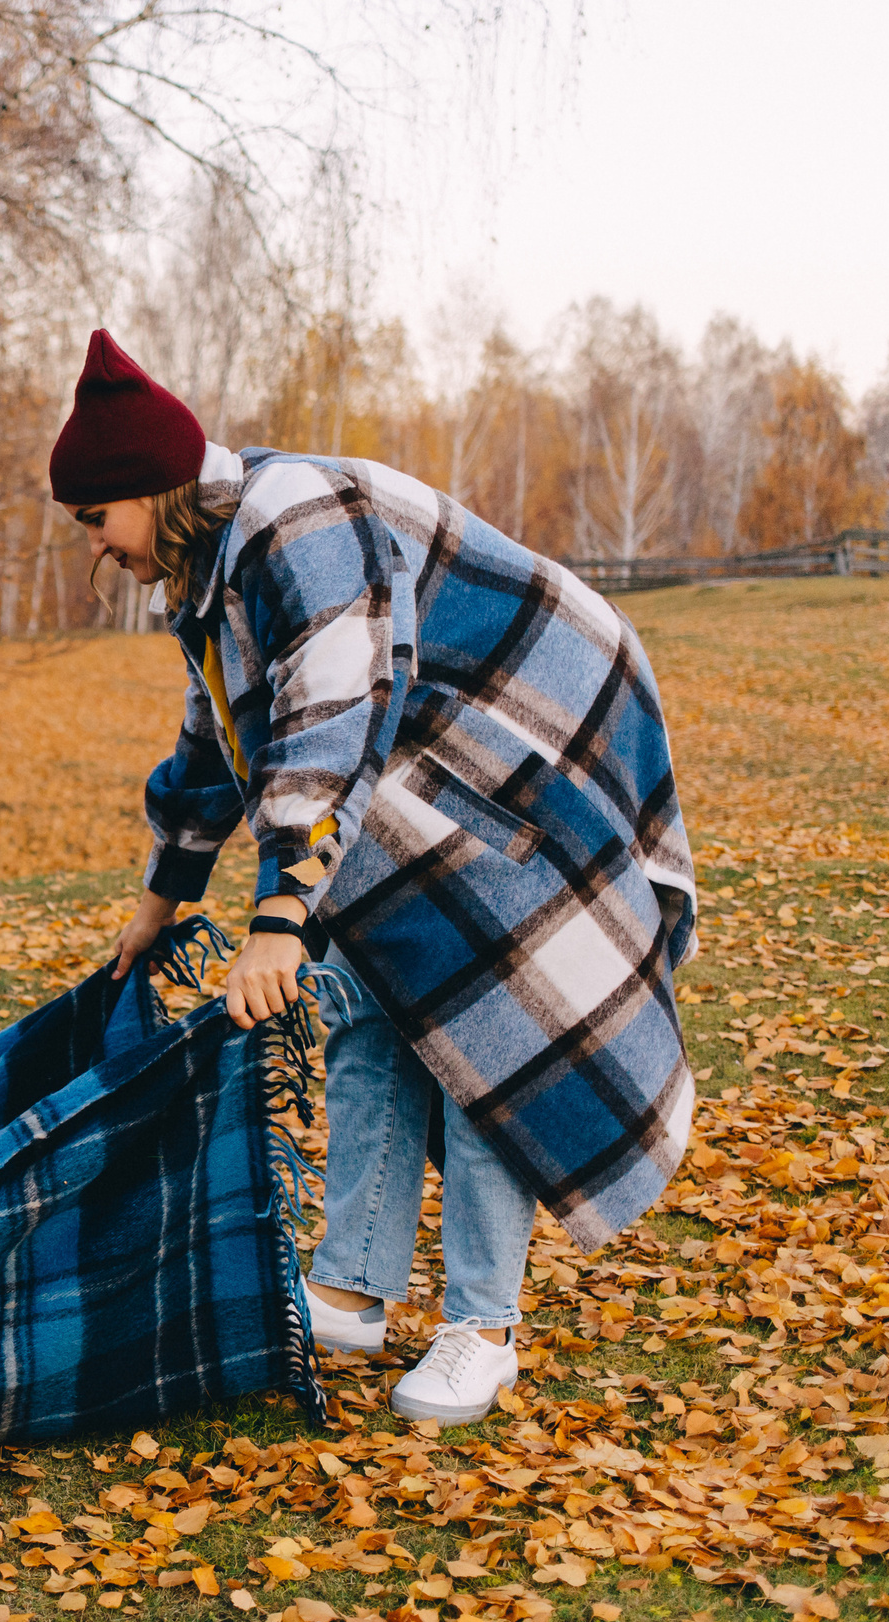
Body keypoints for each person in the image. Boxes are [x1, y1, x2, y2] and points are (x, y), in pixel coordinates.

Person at [59, 330, 697, 1426]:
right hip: (412, 786)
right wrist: (161, 898)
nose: (95, 550)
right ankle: (352, 1288)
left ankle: (482, 1329)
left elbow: (329, 715)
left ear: (151, 490)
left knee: (489, 1043)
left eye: (96, 521)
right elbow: (219, 738)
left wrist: (279, 919)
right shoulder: (209, 572)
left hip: (524, 763)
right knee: (372, 1014)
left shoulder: (292, 518)